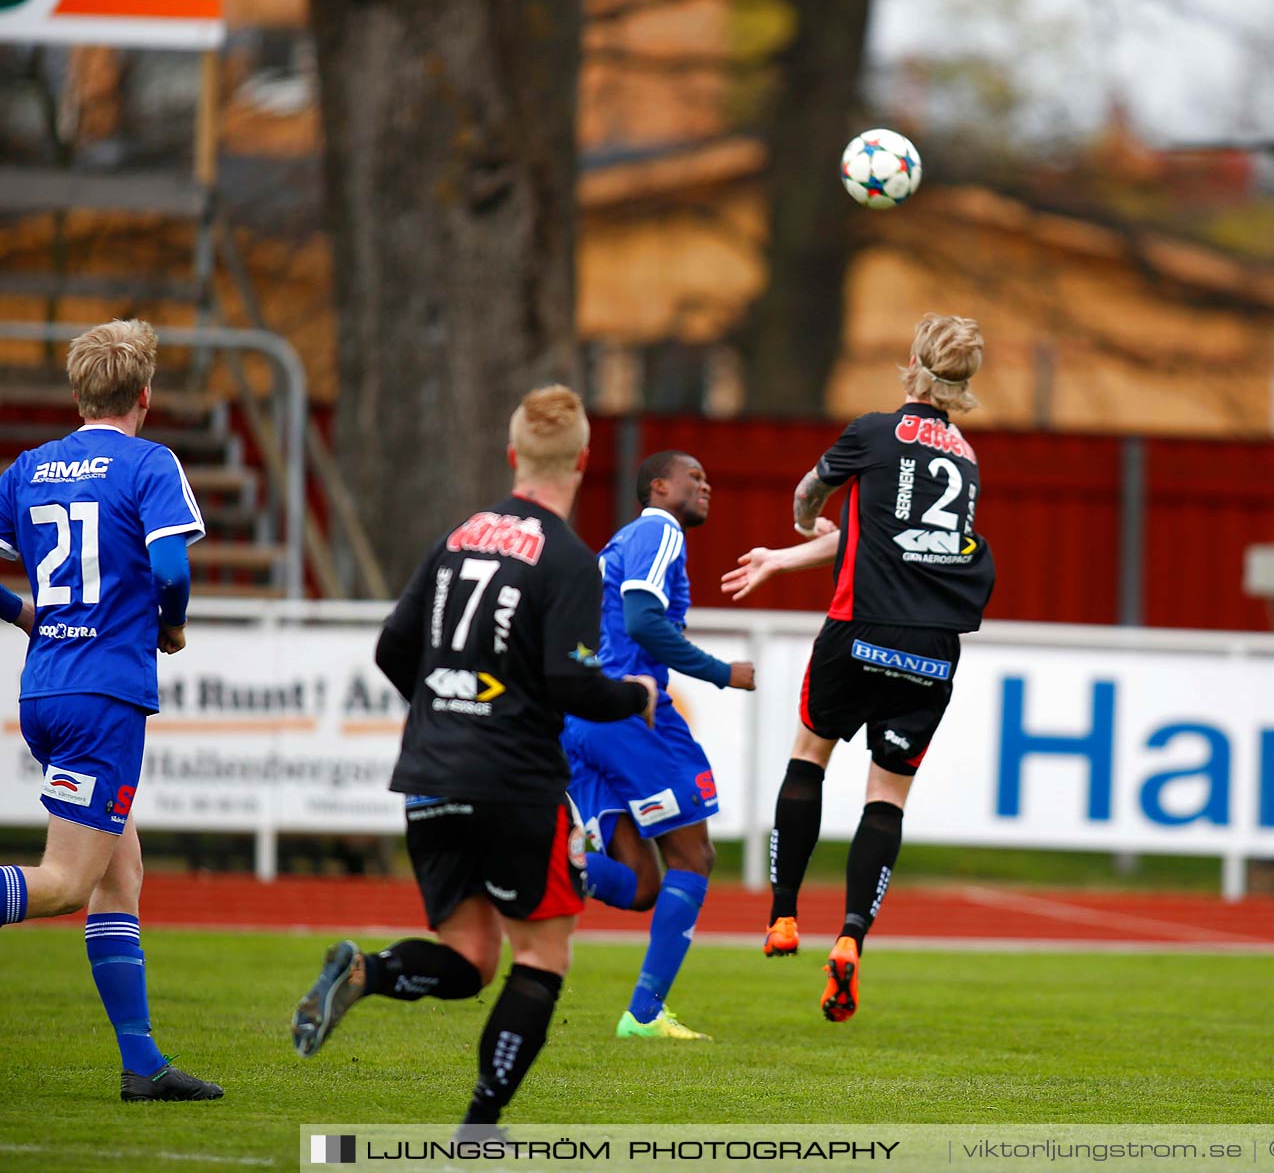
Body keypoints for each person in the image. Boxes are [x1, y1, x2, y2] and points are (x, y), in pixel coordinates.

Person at [289, 385, 657, 1129]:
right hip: (515, 781)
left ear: (512, 454)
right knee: (541, 957)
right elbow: (569, 681)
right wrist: (636, 696)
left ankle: (369, 972)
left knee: (469, 956)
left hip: (430, 774)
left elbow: (394, 647)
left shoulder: (458, 536)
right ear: (584, 460)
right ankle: (480, 1128)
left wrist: (444, 710)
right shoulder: (568, 558)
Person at [720, 313, 996, 1022]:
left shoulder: (871, 433)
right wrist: (787, 563)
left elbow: (811, 498)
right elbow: (891, 541)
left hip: (857, 634)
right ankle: (851, 939)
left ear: (910, 362)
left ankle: (783, 914)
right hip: (931, 649)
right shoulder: (965, 458)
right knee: (887, 796)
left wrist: (798, 525)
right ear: (965, 383)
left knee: (809, 756)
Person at [0, 319, 221, 1101]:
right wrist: (172, 624)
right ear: (145, 397)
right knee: (63, 883)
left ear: (76, 391)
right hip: (104, 694)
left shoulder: (28, 468)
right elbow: (171, 567)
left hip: (46, 686)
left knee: (119, 871)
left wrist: (24, 614)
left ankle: (142, 1064)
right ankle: (142, 1064)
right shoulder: (149, 463)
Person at [562, 450, 755, 1041]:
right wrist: (724, 673)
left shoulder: (615, 547)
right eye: (694, 477)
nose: (707, 484)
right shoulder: (658, 531)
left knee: (642, 884)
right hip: (631, 715)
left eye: (707, 476)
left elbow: (577, 638)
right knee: (694, 858)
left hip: (583, 717)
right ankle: (643, 1015)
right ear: (658, 487)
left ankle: (535, 862)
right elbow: (645, 623)